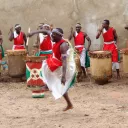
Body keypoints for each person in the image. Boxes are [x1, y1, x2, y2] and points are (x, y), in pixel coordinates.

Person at [38, 28, 75, 111]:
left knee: (46, 65)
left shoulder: (63, 45)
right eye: (52, 34)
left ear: (59, 36)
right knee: (60, 86)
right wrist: (34, 32)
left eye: (54, 34)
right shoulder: (55, 39)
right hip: (57, 63)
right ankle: (69, 104)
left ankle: (48, 84)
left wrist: (63, 76)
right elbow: (47, 31)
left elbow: (64, 61)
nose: (52, 36)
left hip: (64, 67)